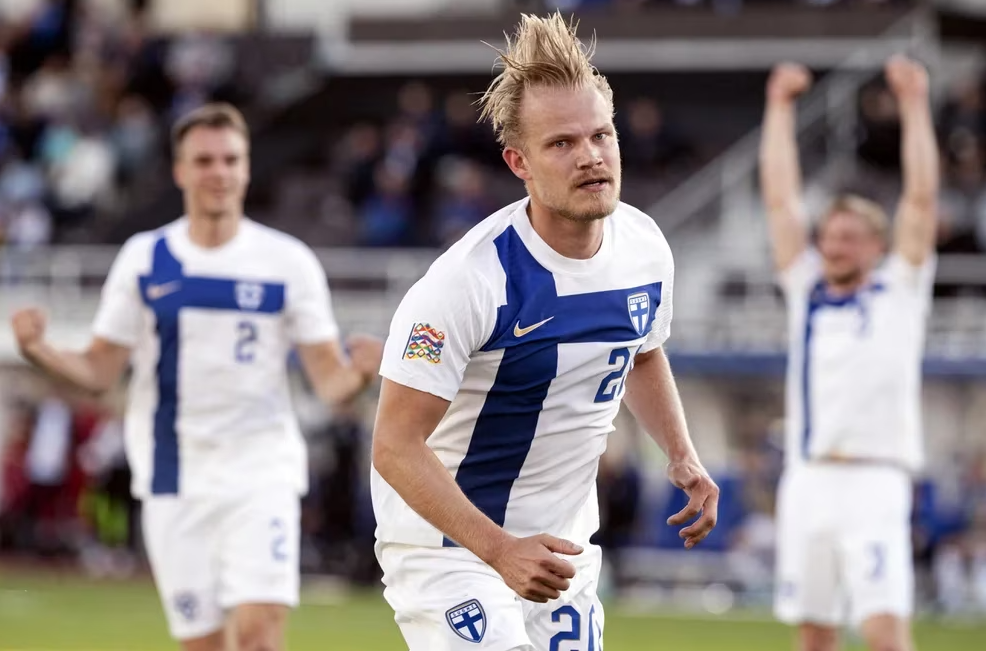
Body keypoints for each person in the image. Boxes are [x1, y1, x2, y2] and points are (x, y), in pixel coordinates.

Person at [370, 13, 719, 651]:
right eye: (561, 144)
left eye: (601, 135)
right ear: (519, 162)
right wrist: (500, 549)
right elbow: (394, 445)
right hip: (452, 547)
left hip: (563, 546)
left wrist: (681, 452)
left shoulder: (643, 246)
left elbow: (641, 351)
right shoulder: (469, 283)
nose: (590, 157)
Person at [10, 103, 382, 651]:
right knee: (202, 645)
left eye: (231, 159)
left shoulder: (287, 262)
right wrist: (38, 349)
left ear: (247, 168)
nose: (219, 172)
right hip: (172, 477)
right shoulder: (145, 259)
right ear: (181, 171)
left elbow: (328, 381)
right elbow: (98, 369)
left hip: (261, 473)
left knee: (257, 637)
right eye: (204, 160)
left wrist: (360, 374)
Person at [760, 56, 939, 651]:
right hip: (808, 477)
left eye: (847, 238)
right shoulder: (807, 291)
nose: (832, 247)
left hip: (875, 477)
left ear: (876, 245)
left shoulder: (899, 291)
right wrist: (779, 107)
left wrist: (914, 105)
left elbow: (920, 199)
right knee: (814, 635)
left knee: (885, 631)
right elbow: (781, 201)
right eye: (828, 237)